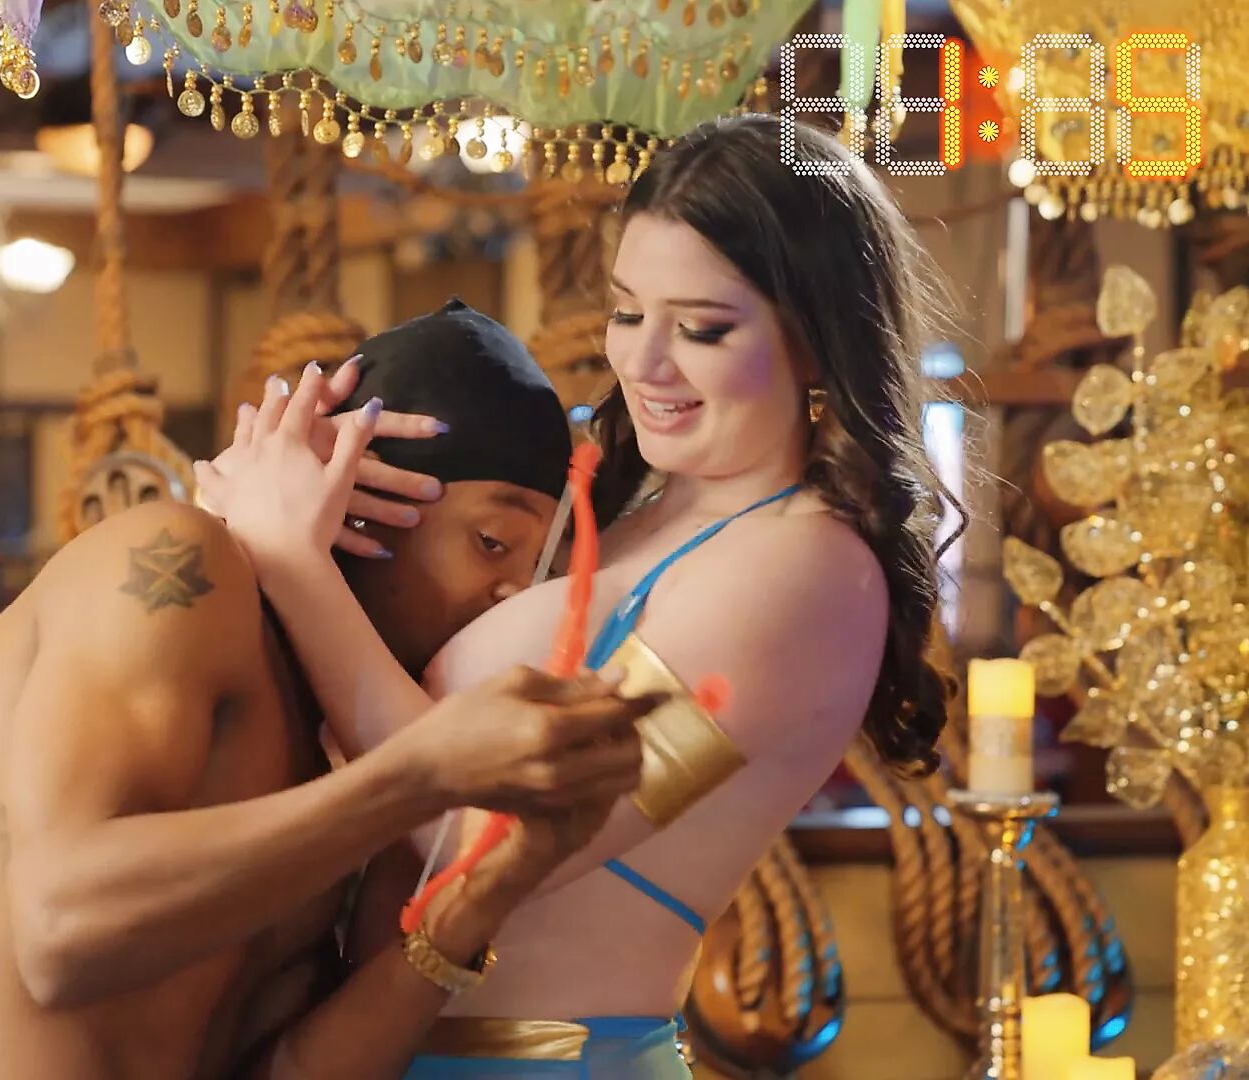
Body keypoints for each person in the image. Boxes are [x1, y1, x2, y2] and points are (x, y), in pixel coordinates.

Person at [193, 113, 963, 1078]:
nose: (643, 362)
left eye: (702, 328)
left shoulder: (805, 572)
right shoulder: (629, 512)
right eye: (629, 313)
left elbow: (492, 840)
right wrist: (296, 501)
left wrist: (294, 565)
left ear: (815, 340)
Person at [0, 300, 664, 1080]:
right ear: (359, 499)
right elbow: (59, 931)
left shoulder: (330, 743)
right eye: (494, 542)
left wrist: (478, 901)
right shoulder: (179, 568)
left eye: (538, 572)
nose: (514, 596)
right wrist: (419, 773)